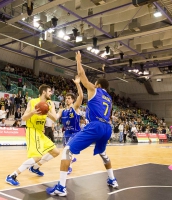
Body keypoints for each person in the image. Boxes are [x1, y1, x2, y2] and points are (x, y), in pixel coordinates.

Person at [46, 51, 118, 197]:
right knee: (103, 154)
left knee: (67, 151)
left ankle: (61, 187)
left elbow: (82, 74)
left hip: (96, 126)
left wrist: (78, 61)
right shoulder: (109, 98)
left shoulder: (94, 89)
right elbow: (109, 115)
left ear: (97, 84)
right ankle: (113, 179)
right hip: (107, 127)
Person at [5, 84, 59, 186]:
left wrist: (47, 113)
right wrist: (32, 112)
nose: (51, 93)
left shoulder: (50, 103)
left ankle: (34, 167)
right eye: (49, 91)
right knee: (37, 156)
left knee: (55, 152)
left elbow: (55, 119)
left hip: (40, 132)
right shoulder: (33, 102)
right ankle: (12, 175)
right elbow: (24, 118)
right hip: (32, 131)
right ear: (44, 92)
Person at [57, 75, 83, 175]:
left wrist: (77, 84)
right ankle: (72, 159)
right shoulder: (63, 110)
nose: (67, 100)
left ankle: (69, 167)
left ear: (72, 100)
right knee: (66, 150)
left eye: (69, 98)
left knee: (67, 152)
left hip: (75, 133)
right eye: (66, 98)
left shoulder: (75, 107)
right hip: (66, 133)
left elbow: (80, 96)